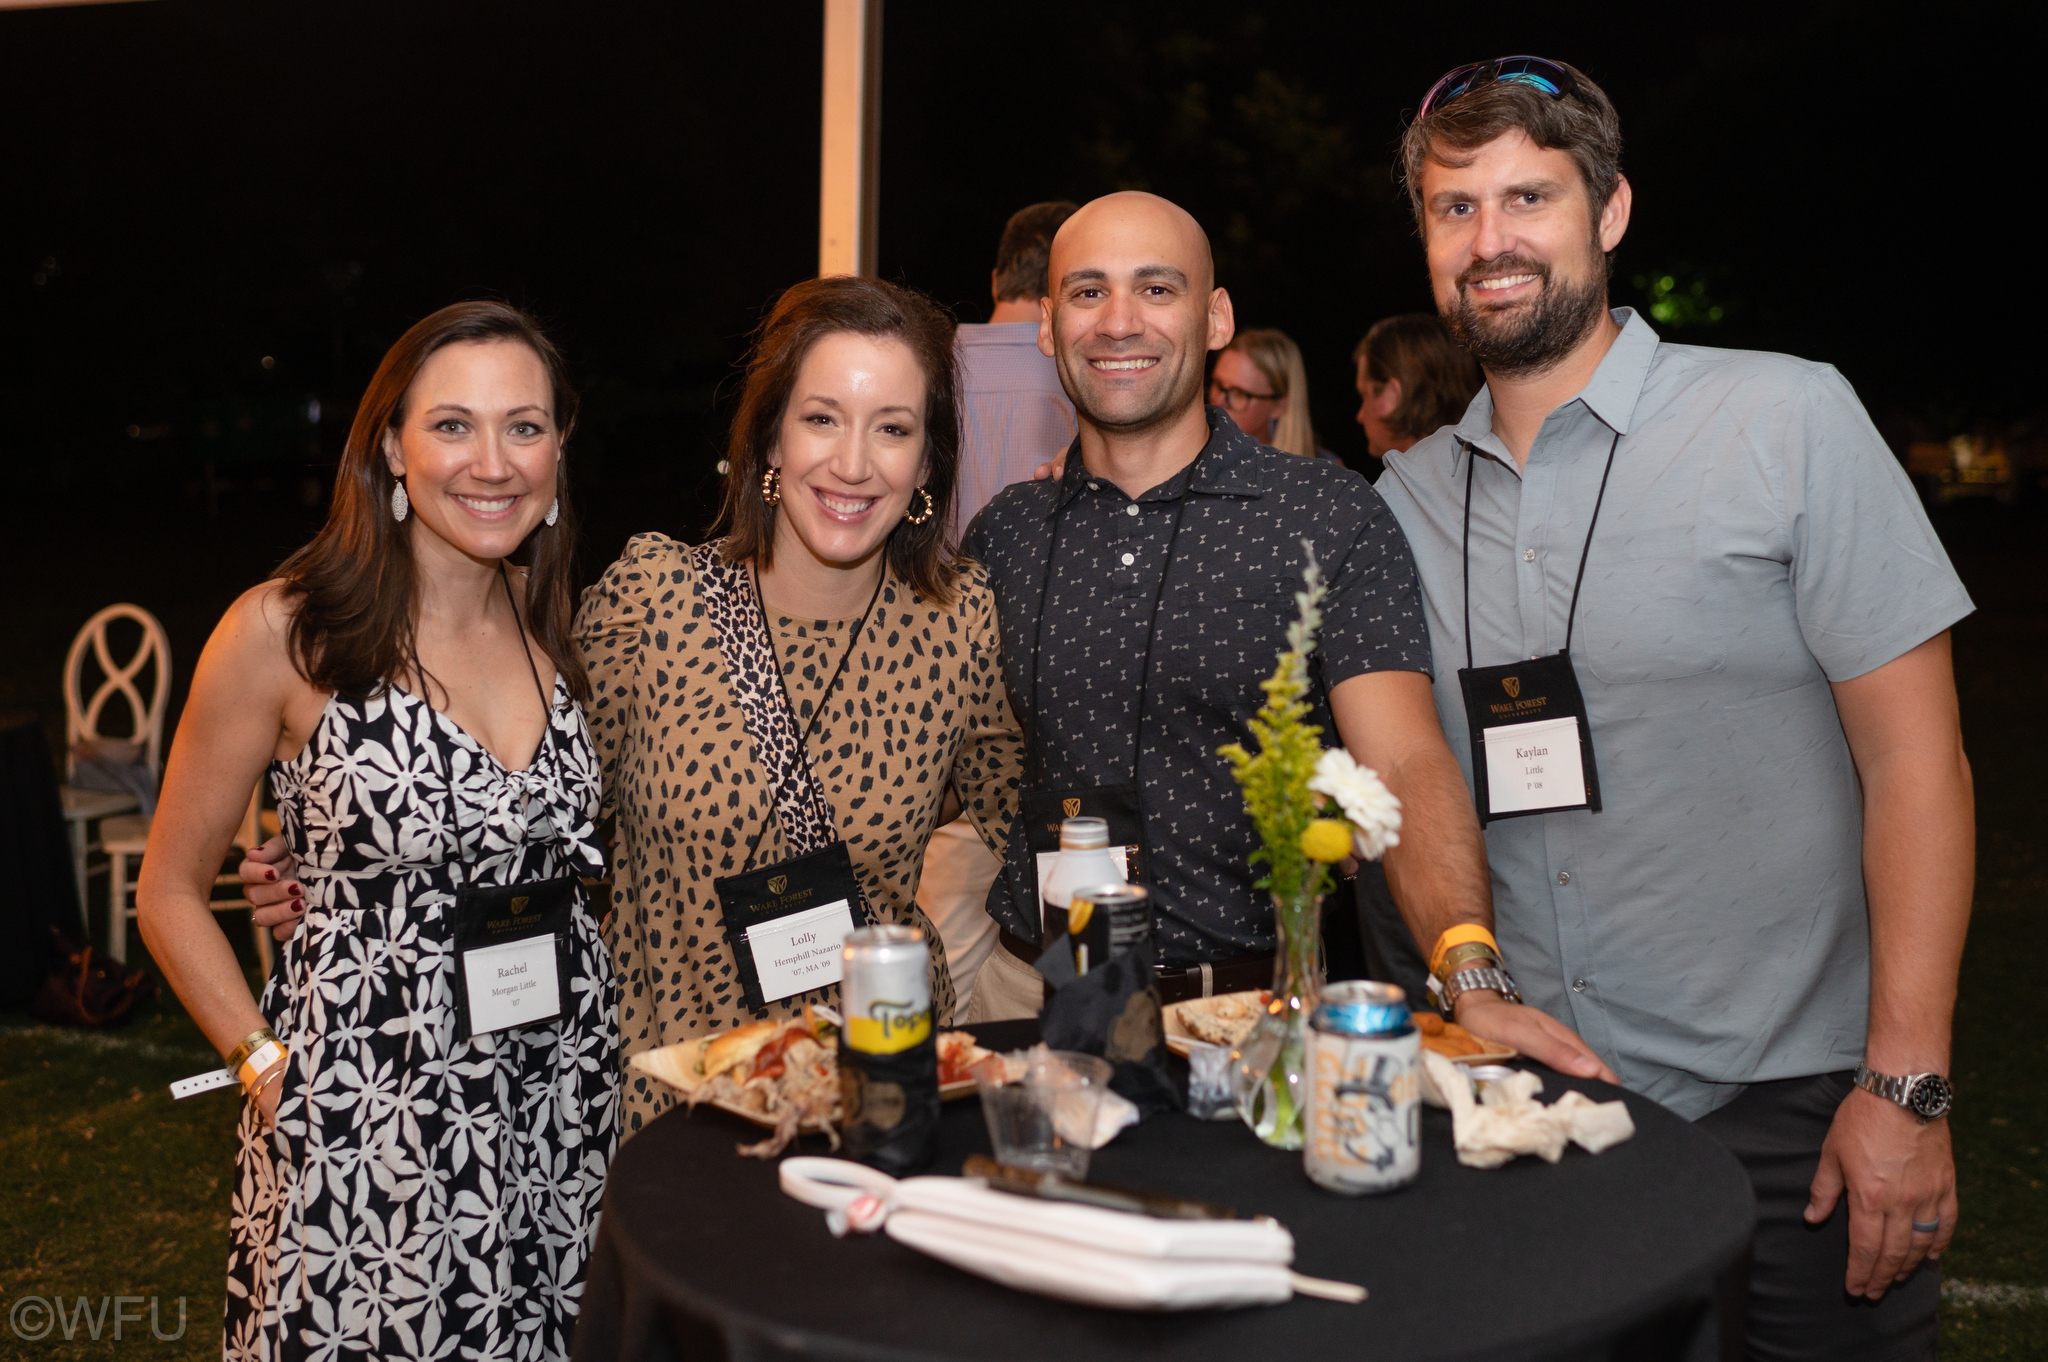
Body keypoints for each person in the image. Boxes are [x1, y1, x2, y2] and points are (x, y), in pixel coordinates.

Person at [1375, 56, 1972, 1358]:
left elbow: (1918, 764)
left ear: (1610, 210)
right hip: (1540, 1113)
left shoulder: (1786, 417)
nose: (1489, 240)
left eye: (1528, 197)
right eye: (1454, 207)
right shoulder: (1402, 505)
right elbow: (1407, 775)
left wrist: (1905, 1086)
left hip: (1799, 1111)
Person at [968, 190, 1616, 1089]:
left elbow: (1403, 760)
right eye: (1088, 292)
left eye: (1156, 289)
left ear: (1215, 317)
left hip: (1243, 1028)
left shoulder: (1325, 516)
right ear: (1047, 325)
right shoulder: (1005, 533)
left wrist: (1470, 974)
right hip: (1024, 1007)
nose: (1119, 322)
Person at [138, 302, 618, 1360]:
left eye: (524, 426)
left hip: (558, 1096)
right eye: (452, 425)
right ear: (392, 449)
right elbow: (167, 891)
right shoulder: (287, 632)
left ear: (557, 449)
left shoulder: (551, 619)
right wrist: (268, 1073)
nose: (492, 462)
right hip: (367, 1119)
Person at [924, 200, 1079, 1014]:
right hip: (1062, 723)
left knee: (939, 965)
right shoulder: (1088, 372)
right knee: (1067, 969)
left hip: (933, 718)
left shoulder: (926, 367)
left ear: (997, 278)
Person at [1352, 313, 1482, 458]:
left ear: (1393, 395)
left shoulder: (1414, 471)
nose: (1360, 416)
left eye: (1365, 396)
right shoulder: (1489, 463)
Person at [1208, 327, 1333, 460]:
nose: (1218, 400)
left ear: (1279, 406)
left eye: (1238, 393)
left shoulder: (1320, 469)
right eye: (1218, 385)